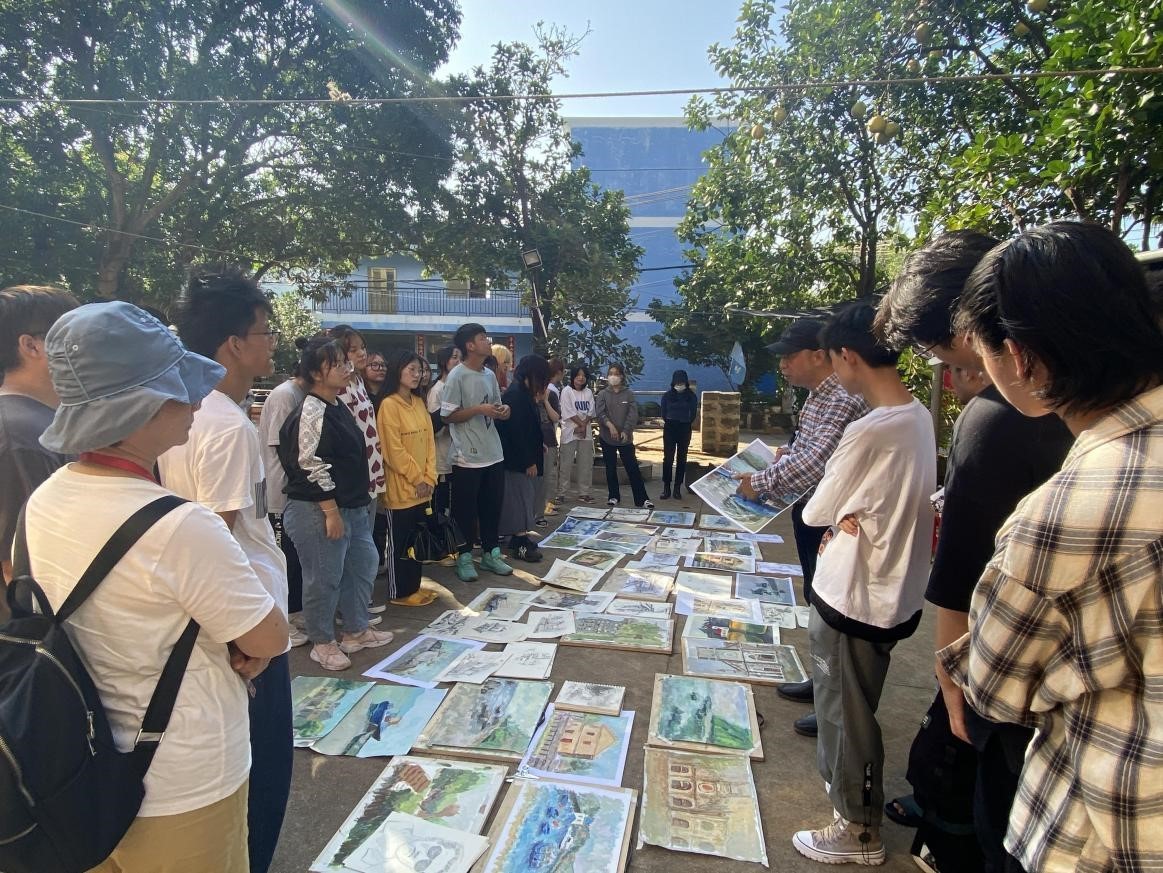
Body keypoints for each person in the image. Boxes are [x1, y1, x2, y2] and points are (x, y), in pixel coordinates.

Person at [25, 301, 288, 872]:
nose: (195, 400)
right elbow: (268, 637)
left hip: (85, 767)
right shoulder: (180, 525)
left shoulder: (47, 497)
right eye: (178, 388)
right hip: (184, 780)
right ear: (140, 407)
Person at [936, 222, 1163, 873]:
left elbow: (993, 685)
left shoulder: (1065, 511)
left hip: (1104, 829)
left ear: (1021, 359)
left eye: (977, 358)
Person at [875, 230, 1075, 873]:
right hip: (1070, 680)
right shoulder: (1096, 406)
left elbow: (960, 571)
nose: (950, 371)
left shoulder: (998, 416)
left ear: (971, 327)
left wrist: (950, 679)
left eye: (942, 351)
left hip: (1014, 675)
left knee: (985, 817)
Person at [157, 266, 295, 873]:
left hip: (215, 624)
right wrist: (249, 639)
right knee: (263, 776)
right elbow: (219, 541)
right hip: (244, 629)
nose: (272, 342)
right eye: (264, 331)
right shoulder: (225, 426)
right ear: (234, 344)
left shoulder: (180, 414)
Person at [790, 303, 936, 866]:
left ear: (847, 356)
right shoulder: (918, 416)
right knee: (856, 704)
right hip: (892, 592)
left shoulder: (869, 429)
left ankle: (857, 829)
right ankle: (854, 811)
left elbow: (815, 509)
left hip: (853, 593)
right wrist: (846, 509)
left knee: (843, 715)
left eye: (833, 358)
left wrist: (840, 510)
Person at [735, 317, 867, 737]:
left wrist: (760, 483)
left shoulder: (842, 398)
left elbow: (816, 462)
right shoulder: (816, 397)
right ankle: (821, 683)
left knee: (834, 609)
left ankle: (836, 704)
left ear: (818, 355)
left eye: (790, 357)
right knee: (816, 598)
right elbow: (804, 450)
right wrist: (782, 457)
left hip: (833, 519)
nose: (783, 365)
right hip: (811, 512)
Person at [278, 336, 394, 671]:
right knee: (324, 578)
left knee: (362, 565)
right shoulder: (311, 410)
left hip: (353, 506)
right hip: (320, 509)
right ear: (316, 373)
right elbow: (308, 463)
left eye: (346, 361)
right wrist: (330, 511)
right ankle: (322, 642)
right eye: (337, 364)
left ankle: (356, 631)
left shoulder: (337, 404)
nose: (347, 368)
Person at [0, 284, 78, 585]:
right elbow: (16, 562)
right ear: (31, 346)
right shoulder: (18, 435)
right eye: (72, 338)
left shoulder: (41, 422)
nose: (84, 349)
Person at [440, 322, 514, 582]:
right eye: (482, 338)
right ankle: (464, 557)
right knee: (465, 512)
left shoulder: (490, 375)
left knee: (492, 507)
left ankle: (491, 554)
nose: (487, 341)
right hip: (467, 456)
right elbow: (447, 416)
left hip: (493, 452)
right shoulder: (457, 376)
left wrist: (503, 411)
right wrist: (478, 410)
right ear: (470, 345)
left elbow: (497, 406)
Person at [327, 325, 388, 608]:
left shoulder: (358, 382)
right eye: (353, 349)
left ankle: (358, 604)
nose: (361, 353)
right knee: (353, 550)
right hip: (354, 479)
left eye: (362, 347)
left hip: (371, 473)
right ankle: (349, 608)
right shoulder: (338, 388)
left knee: (364, 548)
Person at [376, 350, 438, 607]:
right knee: (400, 543)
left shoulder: (419, 402)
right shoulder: (389, 405)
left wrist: (430, 478)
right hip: (402, 489)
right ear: (397, 371)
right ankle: (400, 592)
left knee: (417, 541)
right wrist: (417, 478)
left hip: (423, 488)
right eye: (411, 369)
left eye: (420, 370)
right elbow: (393, 450)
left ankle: (414, 586)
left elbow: (430, 443)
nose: (417, 374)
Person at [257, 361, 309, 648]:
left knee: (296, 558)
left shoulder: (302, 394)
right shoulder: (284, 395)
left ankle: (296, 612)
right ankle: (284, 619)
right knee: (283, 559)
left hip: (294, 491)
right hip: (279, 491)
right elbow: (283, 446)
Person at [497, 354, 551, 562]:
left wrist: (539, 445)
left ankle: (520, 537)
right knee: (519, 499)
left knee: (524, 497)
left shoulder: (522, 393)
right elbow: (517, 433)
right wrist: (528, 461)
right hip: (517, 461)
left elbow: (529, 428)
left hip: (523, 457)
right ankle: (519, 541)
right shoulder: (516, 395)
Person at [595, 363, 653, 508]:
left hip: (625, 439)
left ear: (621, 376)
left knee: (632, 468)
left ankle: (642, 499)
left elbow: (632, 415)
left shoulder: (628, 394)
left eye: (616, 374)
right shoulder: (602, 394)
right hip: (607, 437)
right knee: (610, 468)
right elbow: (600, 413)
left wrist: (626, 431)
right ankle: (613, 496)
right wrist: (610, 426)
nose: (613, 377)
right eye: (610, 374)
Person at [426, 344, 462, 521]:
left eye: (461, 358)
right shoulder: (437, 390)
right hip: (442, 453)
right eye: (454, 357)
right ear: (444, 361)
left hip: (458, 453)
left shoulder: (458, 386)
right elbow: (433, 425)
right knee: (442, 501)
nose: (458, 362)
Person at [532, 357, 564, 526]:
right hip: (534, 440)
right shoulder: (528, 393)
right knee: (536, 478)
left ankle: (541, 512)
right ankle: (535, 512)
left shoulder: (550, 393)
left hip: (548, 439)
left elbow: (556, 417)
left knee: (545, 477)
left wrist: (545, 400)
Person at [558, 364, 596, 504]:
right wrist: (580, 425)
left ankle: (584, 493)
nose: (581, 378)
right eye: (578, 375)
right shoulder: (566, 391)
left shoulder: (588, 392)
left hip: (585, 432)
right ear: (573, 376)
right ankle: (561, 492)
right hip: (569, 431)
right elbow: (568, 411)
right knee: (565, 463)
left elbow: (591, 411)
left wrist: (584, 425)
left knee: (585, 463)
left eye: (584, 375)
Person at [659, 368, 698, 499]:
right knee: (668, 458)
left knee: (682, 458)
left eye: (682, 382)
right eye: (677, 382)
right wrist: (671, 420)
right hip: (670, 428)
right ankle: (666, 488)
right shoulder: (667, 396)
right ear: (673, 382)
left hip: (684, 428)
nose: (679, 384)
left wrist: (685, 422)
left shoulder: (691, 396)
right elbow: (663, 413)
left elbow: (693, 414)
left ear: (686, 382)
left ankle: (677, 488)